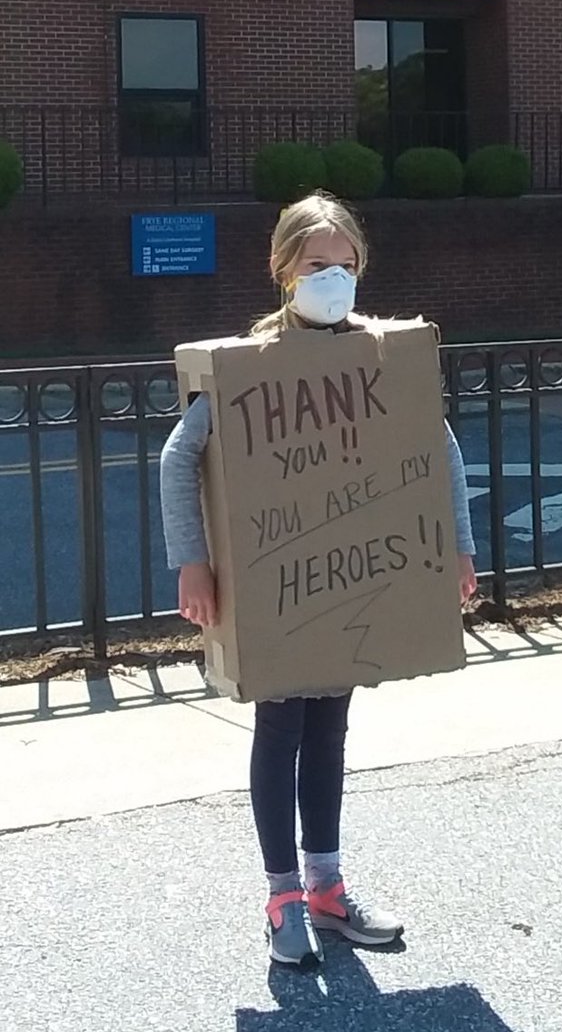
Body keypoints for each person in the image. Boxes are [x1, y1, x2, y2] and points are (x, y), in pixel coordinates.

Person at [160, 191, 476, 969]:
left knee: (329, 732)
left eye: (345, 265)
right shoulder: (247, 367)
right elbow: (178, 457)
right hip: (277, 592)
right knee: (281, 733)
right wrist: (192, 562)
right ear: (282, 270)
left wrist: (459, 549)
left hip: (348, 585)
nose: (332, 279)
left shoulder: (378, 353)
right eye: (316, 265)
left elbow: (438, 449)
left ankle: (327, 889)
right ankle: (282, 899)